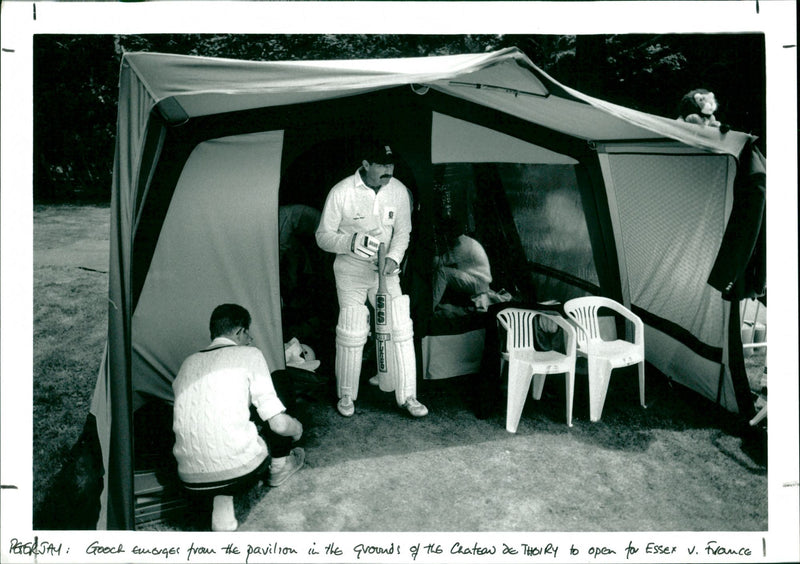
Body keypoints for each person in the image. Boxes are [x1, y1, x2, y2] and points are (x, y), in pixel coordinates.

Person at [315, 141, 428, 418]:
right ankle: (346, 394)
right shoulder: (342, 192)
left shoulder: (399, 191)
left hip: (385, 272)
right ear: (365, 164)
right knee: (352, 330)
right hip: (351, 271)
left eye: (390, 164)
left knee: (399, 328)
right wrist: (350, 242)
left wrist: (394, 259)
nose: (388, 170)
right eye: (381, 165)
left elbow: (403, 232)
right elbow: (322, 236)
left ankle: (407, 394)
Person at [172, 304, 305, 531]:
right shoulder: (249, 354)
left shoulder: (187, 363)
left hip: (190, 478)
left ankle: (222, 504)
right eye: (248, 334)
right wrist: (297, 429)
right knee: (280, 380)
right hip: (240, 471)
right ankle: (279, 466)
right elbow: (279, 424)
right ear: (239, 332)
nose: (251, 339)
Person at [432, 217, 493, 311]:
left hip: (479, 284)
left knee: (443, 272)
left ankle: (429, 308)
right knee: (445, 271)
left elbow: (439, 263)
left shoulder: (462, 245)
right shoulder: (465, 241)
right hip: (479, 282)